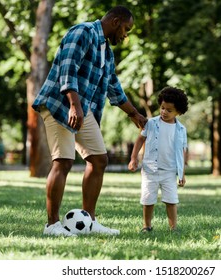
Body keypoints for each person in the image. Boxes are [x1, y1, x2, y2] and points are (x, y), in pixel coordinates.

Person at [32, 6, 147, 237]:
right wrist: (74, 105)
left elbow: (114, 88)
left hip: (83, 110)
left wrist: (135, 114)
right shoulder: (83, 32)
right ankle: (52, 225)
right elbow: (68, 69)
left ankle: (90, 221)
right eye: (126, 29)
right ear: (115, 21)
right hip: (60, 104)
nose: (126, 35)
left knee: (99, 159)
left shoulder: (106, 50)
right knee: (63, 162)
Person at [128, 87, 189, 232]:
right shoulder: (151, 123)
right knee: (148, 199)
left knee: (171, 200)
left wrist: (182, 173)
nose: (164, 112)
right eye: (162, 108)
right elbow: (140, 140)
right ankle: (146, 226)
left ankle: (173, 228)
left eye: (169, 110)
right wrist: (133, 158)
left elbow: (182, 151)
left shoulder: (181, 129)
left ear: (178, 112)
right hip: (150, 170)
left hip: (169, 171)